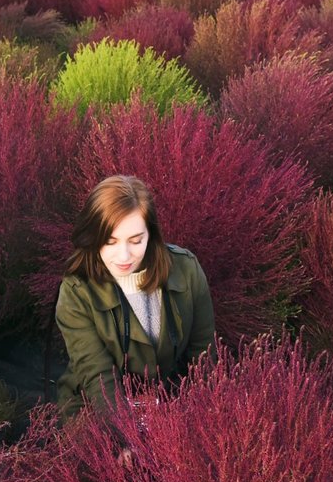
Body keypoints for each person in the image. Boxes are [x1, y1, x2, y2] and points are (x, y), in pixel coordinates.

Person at [55, 174, 215, 418]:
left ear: (151, 235)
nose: (124, 256)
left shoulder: (187, 269)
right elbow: (99, 378)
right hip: (96, 406)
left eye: (136, 240)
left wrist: (200, 416)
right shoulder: (76, 291)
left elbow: (203, 355)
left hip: (169, 399)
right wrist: (128, 434)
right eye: (110, 242)